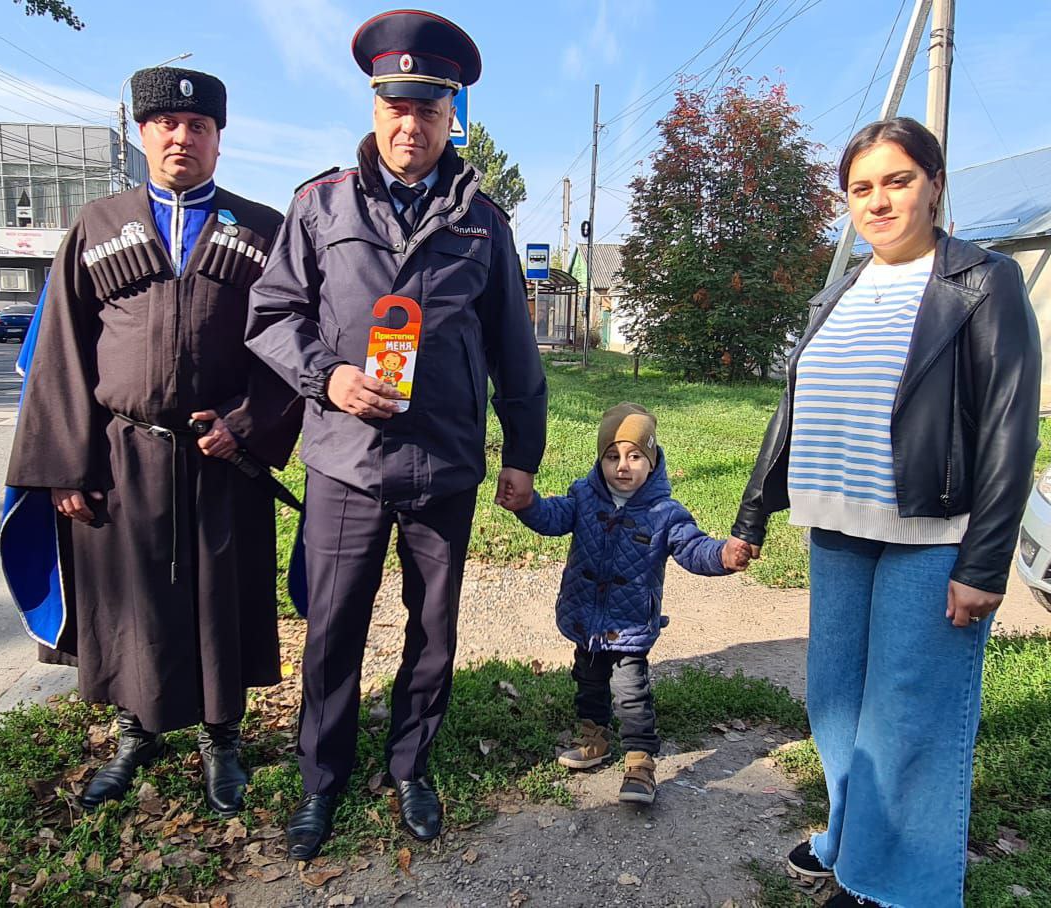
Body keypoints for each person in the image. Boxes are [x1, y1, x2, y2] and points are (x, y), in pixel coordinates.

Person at [245, 10, 547, 857]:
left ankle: (411, 765)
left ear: (454, 114)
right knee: (334, 626)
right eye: (395, 107)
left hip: (444, 463)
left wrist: (522, 454)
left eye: (429, 108)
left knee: (433, 630)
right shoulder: (319, 206)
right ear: (375, 108)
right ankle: (321, 779)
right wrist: (328, 378)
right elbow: (270, 316)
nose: (411, 124)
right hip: (345, 463)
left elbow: (514, 354)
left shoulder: (484, 222)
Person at [730, 117, 1040, 908]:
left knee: (907, 721)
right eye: (861, 188)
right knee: (835, 703)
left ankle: (895, 886)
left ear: (934, 184)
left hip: (930, 538)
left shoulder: (983, 280)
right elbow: (792, 411)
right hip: (837, 529)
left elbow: (1010, 424)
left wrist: (983, 564)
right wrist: (755, 512)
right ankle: (848, 838)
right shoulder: (837, 292)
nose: (879, 200)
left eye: (897, 181)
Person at [3, 66, 303, 819]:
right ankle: (136, 731)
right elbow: (60, 354)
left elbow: (294, 347)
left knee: (219, 600)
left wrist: (247, 423)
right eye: (167, 124)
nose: (182, 137)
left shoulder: (262, 229)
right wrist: (62, 466)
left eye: (198, 126)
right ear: (143, 134)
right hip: (119, 457)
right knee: (132, 602)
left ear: (219, 140)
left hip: (222, 456)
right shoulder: (97, 228)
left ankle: (221, 737)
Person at [511, 403, 751, 804]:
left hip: (630, 624)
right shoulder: (583, 496)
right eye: (612, 456)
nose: (623, 466)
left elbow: (693, 549)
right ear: (600, 460)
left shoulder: (665, 513)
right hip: (586, 619)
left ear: (652, 460)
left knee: (631, 694)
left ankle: (640, 762)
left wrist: (723, 555)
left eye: (635, 456)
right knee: (588, 684)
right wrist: (527, 504)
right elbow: (553, 517)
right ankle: (594, 740)